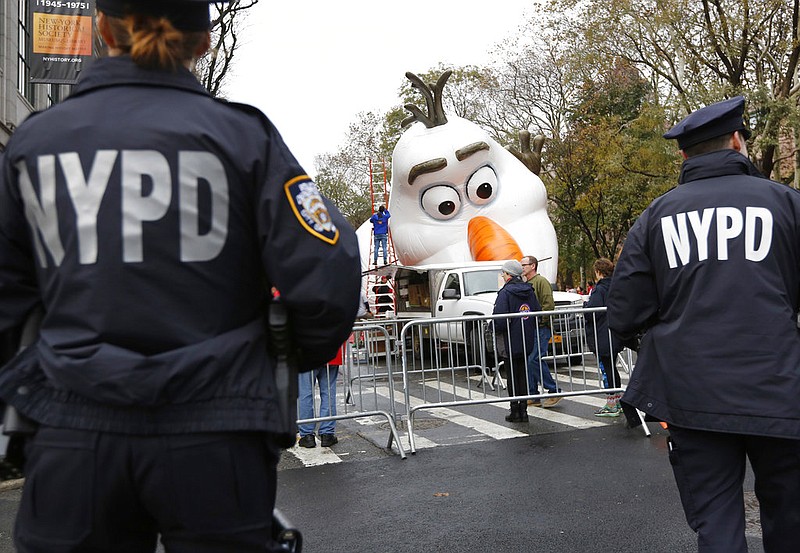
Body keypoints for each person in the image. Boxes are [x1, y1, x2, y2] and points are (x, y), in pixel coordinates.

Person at [0, 1, 361, 551]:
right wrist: (272, 359)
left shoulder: (35, 142)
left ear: (103, 28)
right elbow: (326, 272)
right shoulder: (244, 139)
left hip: (75, 426)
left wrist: (35, 375)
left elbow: (7, 292)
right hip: (216, 430)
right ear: (205, 42)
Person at [607, 96, 800, 553]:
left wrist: (670, 336)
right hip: (780, 389)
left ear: (683, 155)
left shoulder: (656, 217)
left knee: (716, 520)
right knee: (790, 515)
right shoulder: (786, 204)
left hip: (692, 395)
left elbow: (624, 312)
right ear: (738, 142)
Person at [493, 260, 540, 423]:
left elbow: (499, 319)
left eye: (504, 273)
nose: (503, 275)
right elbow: (536, 312)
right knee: (522, 375)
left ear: (508, 275)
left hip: (509, 341)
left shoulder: (505, 293)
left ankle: (515, 410)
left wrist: (492, 326)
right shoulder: (529, 290)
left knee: (512, 377)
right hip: (525, 339)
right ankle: (524, 410)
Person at [520, 255, 561, 408]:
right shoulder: (527, 282)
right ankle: (533, 394)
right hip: (532, 328)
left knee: (534, 359)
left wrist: (541, 321)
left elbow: (548, 304)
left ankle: (554, 390)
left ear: (533, 266)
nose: (522, 267)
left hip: (541, 327)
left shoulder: (541, 282)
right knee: (530, 360)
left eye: (524, 264)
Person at [584, 258, 622, 417]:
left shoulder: (600, 289)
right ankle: (617, 401)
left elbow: (593, 310)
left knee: (607, 368)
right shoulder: (616, 286)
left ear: (599, 272)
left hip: (602, 332)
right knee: (611, 367)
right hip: (614, 331)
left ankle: (612, 403)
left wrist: (585, 306)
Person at [297, 346, 343, 448]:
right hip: (330, 351)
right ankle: (327, 433)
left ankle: (307, 435)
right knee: (328, 393)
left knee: (305, 393)